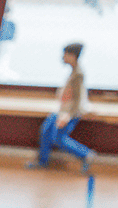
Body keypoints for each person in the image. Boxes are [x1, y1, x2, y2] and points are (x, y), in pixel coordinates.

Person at [29, 42, 94, 172]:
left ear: (72, 56)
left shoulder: (78, 75)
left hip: (68, 112)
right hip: (61, 110)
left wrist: (67, 116)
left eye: (65, 55)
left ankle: (86, 155)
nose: (63, 58)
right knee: (46, 131)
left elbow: (77, 99)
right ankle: (43, 161)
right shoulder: (73, 72)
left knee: (58, 138)